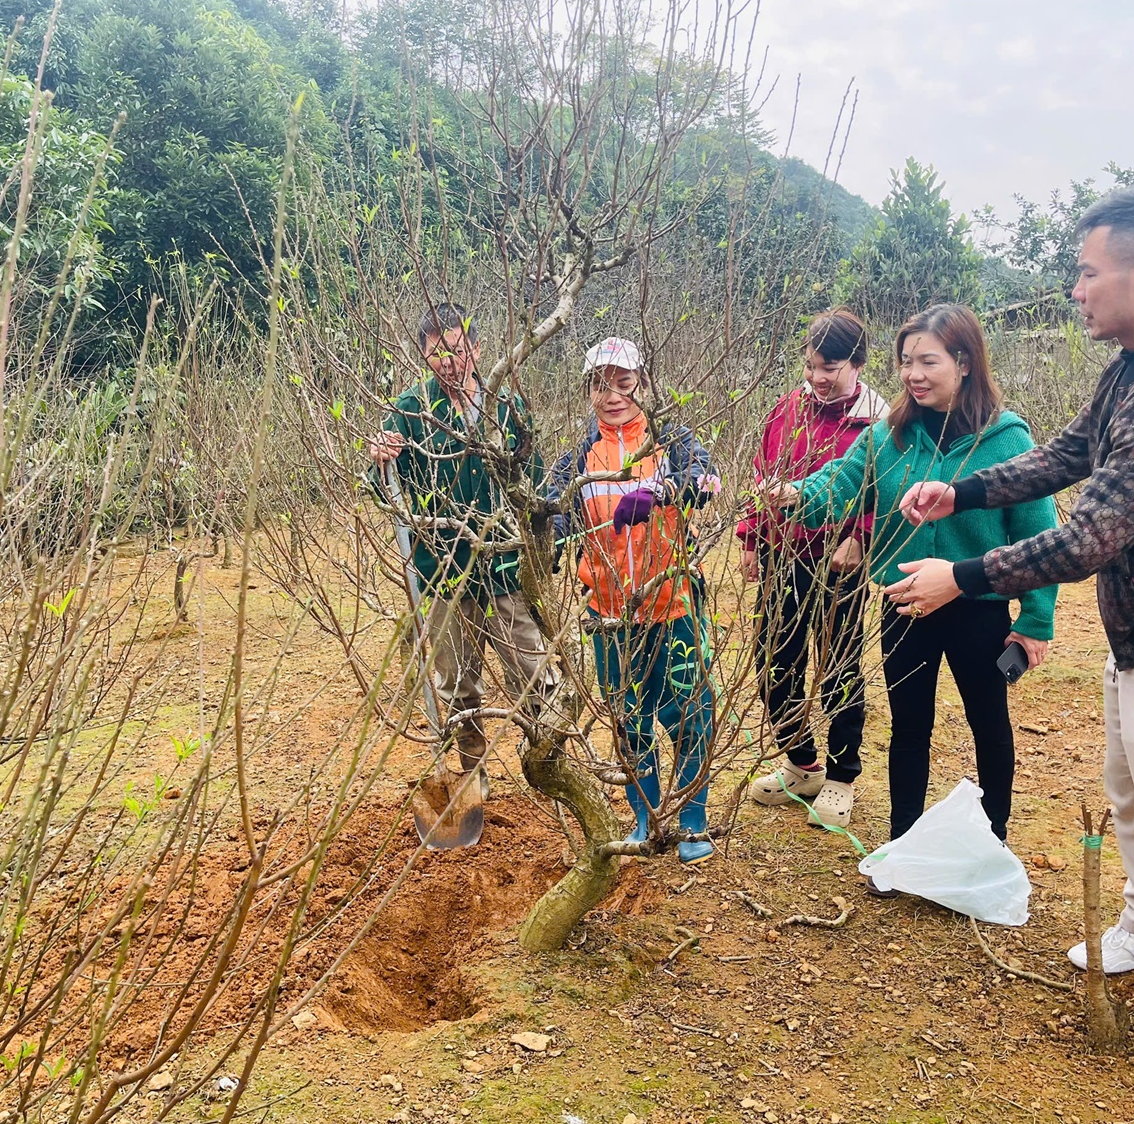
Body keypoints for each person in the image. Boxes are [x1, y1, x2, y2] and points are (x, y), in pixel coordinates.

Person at [892, 185, 1134, 1080]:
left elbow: (1089, 536)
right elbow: (1067, 456)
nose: (1075, 289)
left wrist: (958, 576)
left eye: (1086, 272)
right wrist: (965, 491)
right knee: (1133, 791)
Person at [764, 304, 1057, 887]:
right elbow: (840, 487)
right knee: (909, 725)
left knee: (989, 726)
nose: (913, 375)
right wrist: (793, 495)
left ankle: (992, 846)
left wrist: (1036, 621)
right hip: (904, 605)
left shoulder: (1008, 440)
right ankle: (901, 845)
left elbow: (1038, 534)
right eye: (905, 362)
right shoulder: (889, 436)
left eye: (928, 361)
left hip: (979, 608)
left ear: (965, 362)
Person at [368, 302, 556, 792]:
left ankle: (550, 766)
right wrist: (380, 460)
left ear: (474, 346)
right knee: (458, 685)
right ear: (424, 357)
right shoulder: (409, 411)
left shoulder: (507, 405)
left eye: (457, 348)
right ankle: (474, 776)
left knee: (533, 673)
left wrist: (541, 550)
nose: (449, 361)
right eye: (437, 353)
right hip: (444, 573)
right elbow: (383, 487)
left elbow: (532, 484)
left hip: (505, 566)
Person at [547, 337, 718, 863]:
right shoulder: (577, 458)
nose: (614, 395)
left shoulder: (671, 441)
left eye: (625, 383)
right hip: (608, 615)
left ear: (642, 383)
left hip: (673, 605)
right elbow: (552, 511)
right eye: (602, 384)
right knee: (629, 719)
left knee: (690, 710)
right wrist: (550, 540)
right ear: (588, 390)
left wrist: (661, 493)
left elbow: (707, 481)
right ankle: (646, 815)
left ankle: (692, 819)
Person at [737, 309, 890, 829]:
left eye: (831, 367)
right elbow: (766, 473)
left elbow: (888, 488)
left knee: (839, 665)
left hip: (839, 560)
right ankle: (803, 765)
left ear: (858, 362)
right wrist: (753, 538)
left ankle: (843, 777)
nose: (819, 378)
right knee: (773, 660)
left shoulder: (880, 421)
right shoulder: (788, 409)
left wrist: (860, 537)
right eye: (811, 366)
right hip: (785, 553)